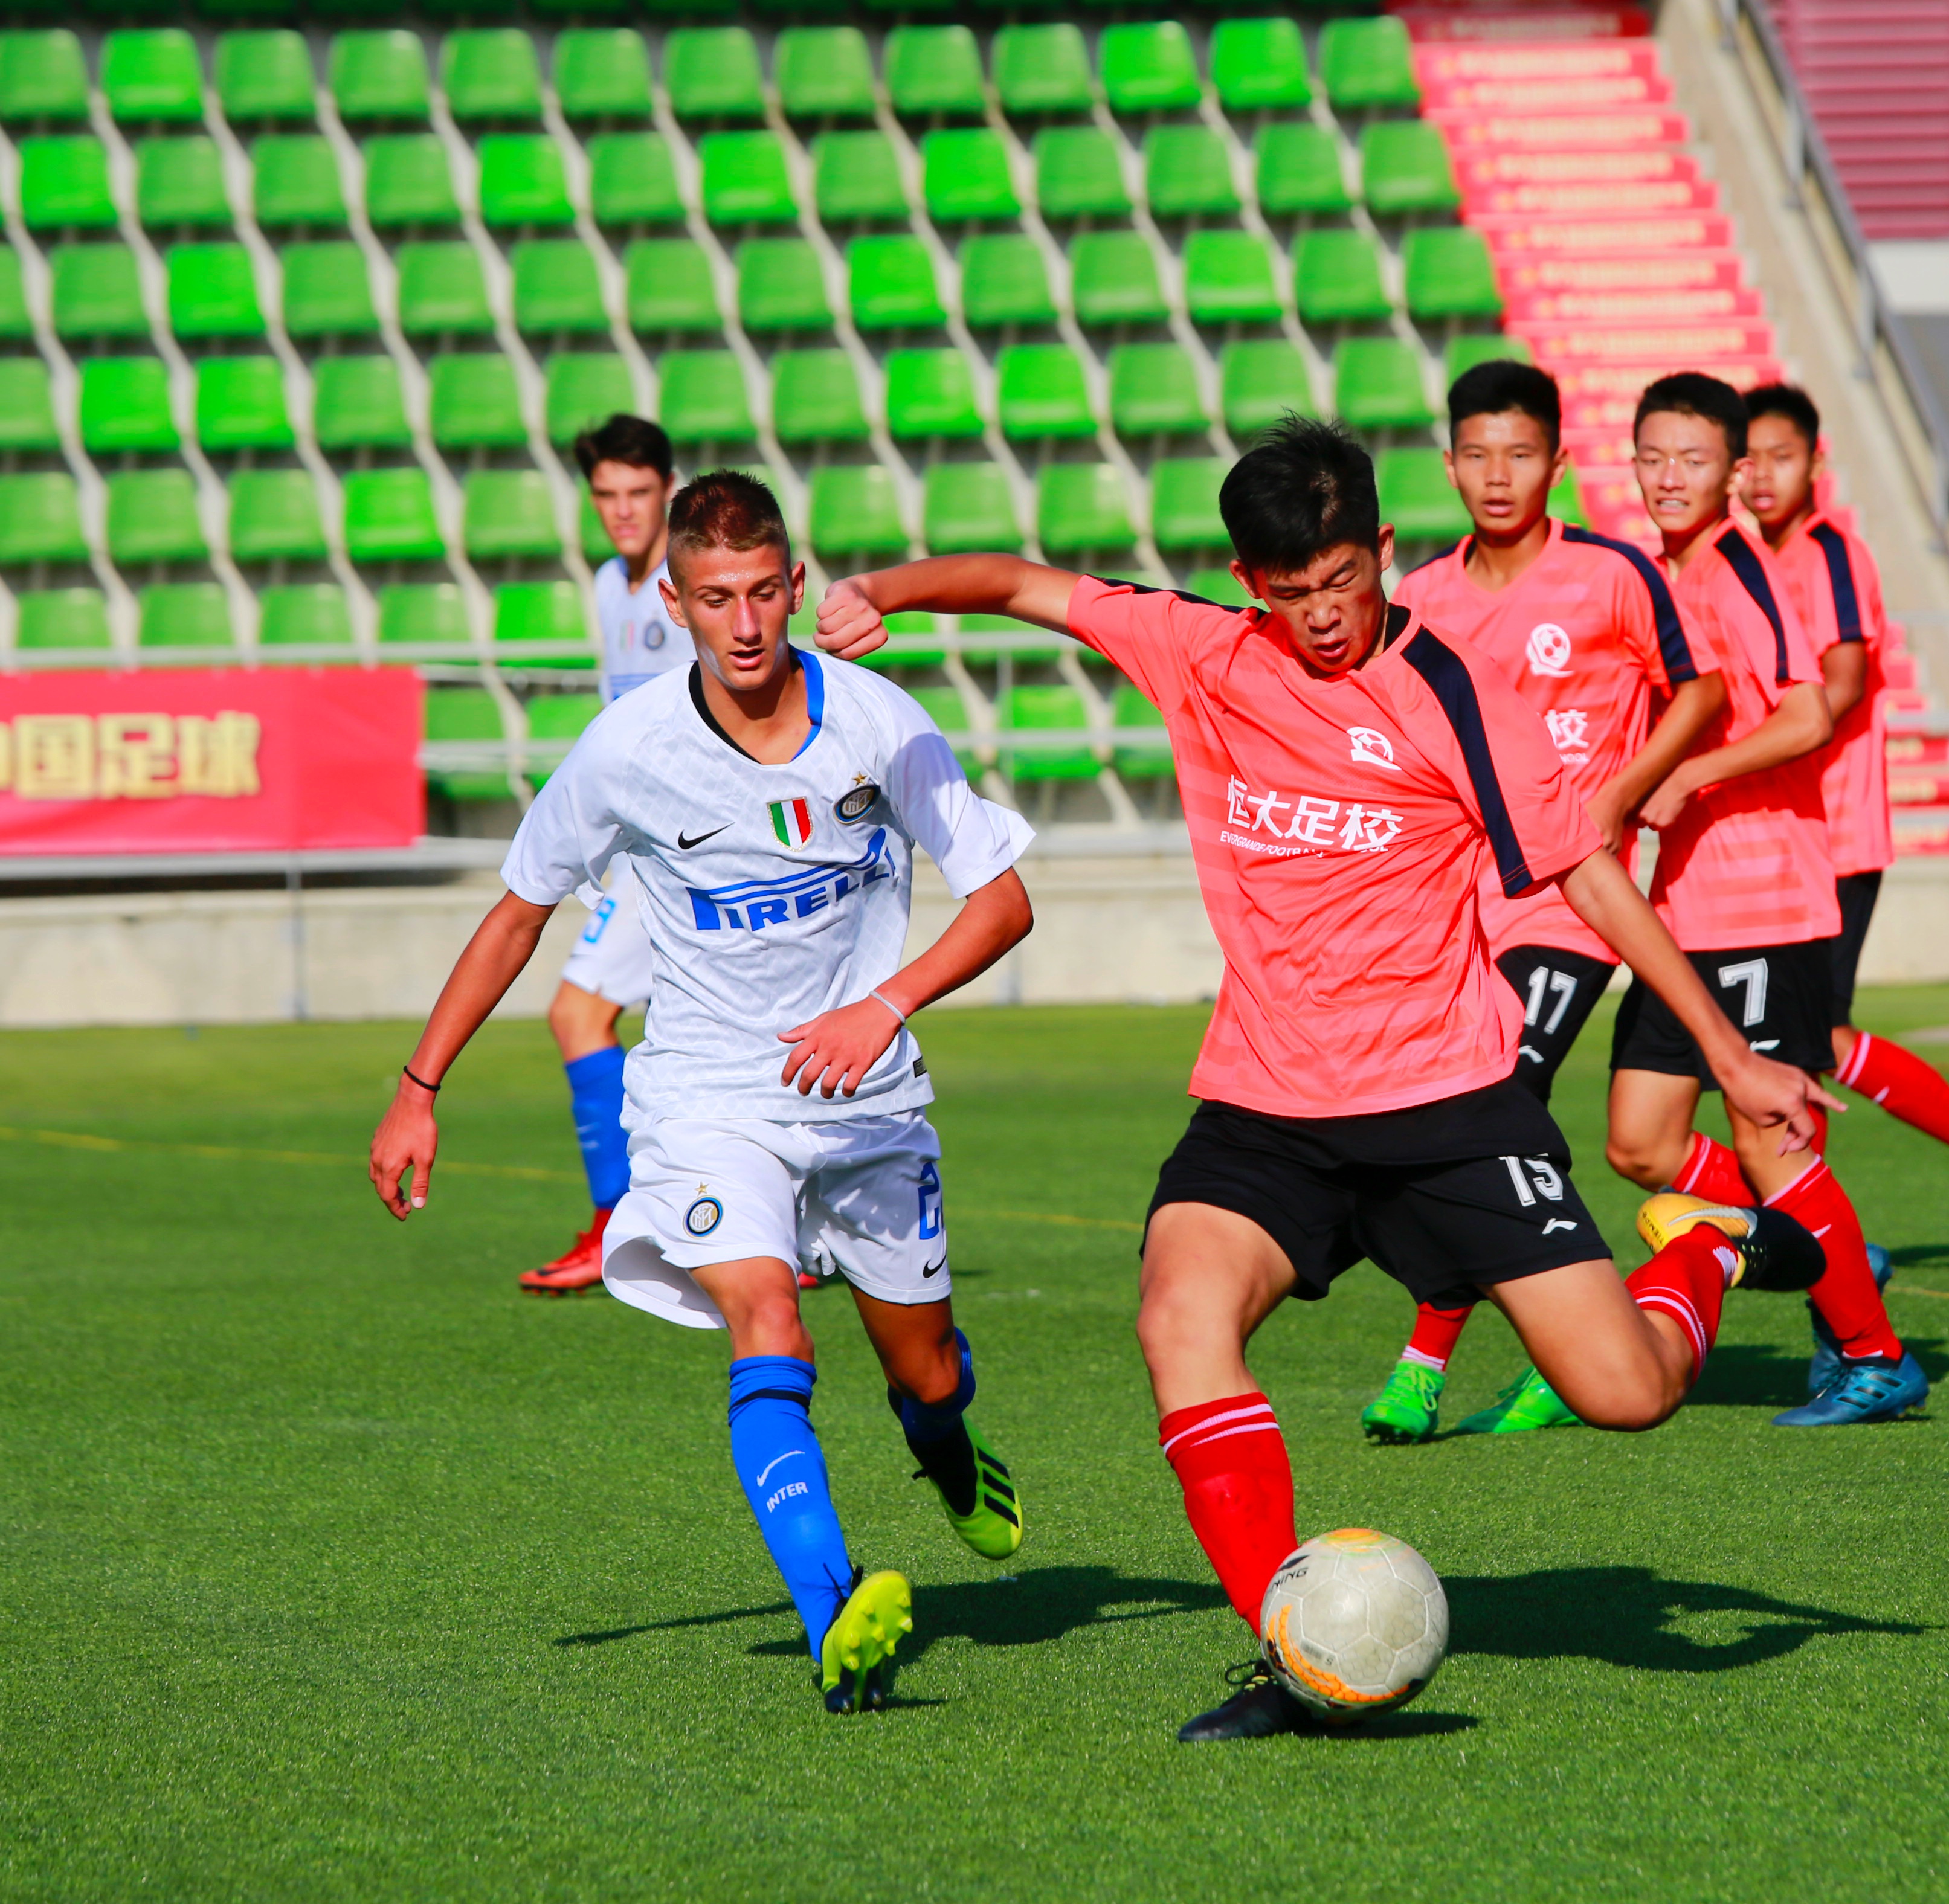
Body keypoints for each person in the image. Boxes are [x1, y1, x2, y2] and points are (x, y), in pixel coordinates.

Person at [807, 419, 1838, 1742]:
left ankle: (1698, 1248)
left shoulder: (1457, 693)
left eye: (1343, 583)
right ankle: (1287, 1656)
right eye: (1290, 594)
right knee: (1180, 1316)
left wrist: (1729, 1054)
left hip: (1447, 1106)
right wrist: (878, 593)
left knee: (1627, 1394)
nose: (1322, 618)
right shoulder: (1202, 652)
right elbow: (1020, 584)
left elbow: (1588, 874)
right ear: (1248, 580)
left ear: (1384, 553)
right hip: (1266, 1105)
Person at [369, 472, 1036, 1711]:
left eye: (765, 592)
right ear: (672, 601)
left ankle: (946, 1453)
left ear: (794, 584)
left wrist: (880, 1006)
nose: (744, 623)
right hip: (706, 1100)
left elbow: (1002, 899)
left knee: (926, 1372)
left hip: (867, 1093)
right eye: (715, 597)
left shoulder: (880, 720)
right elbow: (518, 915)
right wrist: (420, 1085)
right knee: (765, 1320)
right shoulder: (627, 751)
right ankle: (834, 1618)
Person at [1463, 372, 1926, 1432]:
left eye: (1697, 462)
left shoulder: (1733, 569)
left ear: (1735, 473)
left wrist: (1688, 777)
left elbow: (1811, 711)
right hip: (1688, 907)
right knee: (1637, 1141)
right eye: (1655, 459)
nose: (1673, 479)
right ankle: (1817, 1236)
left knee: (1767, 1132)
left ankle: (1873, 1351)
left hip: (1762, 895)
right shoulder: (1665, 571)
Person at [1356, 359, 1732, 1444]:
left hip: (1567, 903)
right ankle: (1584, 1324)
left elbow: (1701, 687)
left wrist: (1620, 790)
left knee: (1503, 1102)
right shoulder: (1416, 599)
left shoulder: (1612, 574)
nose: (1497, 474)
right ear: (1449, 465)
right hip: (1457, 906)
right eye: (1477, 454)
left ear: (1557, 463)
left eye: (1519, 453)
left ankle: (1436, 1362)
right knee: (1452, 1121)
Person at [1741, 383, 1949, 1301]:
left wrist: (1732, 759)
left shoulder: (1832, 555)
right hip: (1769, 846)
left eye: (1779, 457)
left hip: (1832, 840)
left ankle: (1849, 1235)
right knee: (1803, 1046)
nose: (1760, 476)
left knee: (1805, 1048)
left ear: (1817, 465)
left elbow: (1834, 688)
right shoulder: (1742, 561)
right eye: (1747, 458)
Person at [521, 417, 693, 1294]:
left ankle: (615, 1229)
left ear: (669, 488)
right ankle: (797, 1231)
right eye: (607, 496)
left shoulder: (689, 582)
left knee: (577, 1015)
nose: (623, 512)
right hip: (638, 851)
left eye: (638, 494)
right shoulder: (606, 585)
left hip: (683, 850)